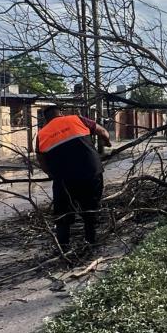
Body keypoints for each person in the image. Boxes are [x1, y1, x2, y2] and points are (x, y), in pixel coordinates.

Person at [35, 107, 112, 250]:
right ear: (61, 114)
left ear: (46, 119)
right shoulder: (77, 119)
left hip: (64, 179)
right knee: (90, 208)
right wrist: (107, 143)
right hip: (91, 171)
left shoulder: (42, 134)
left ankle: (64, 247)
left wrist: (50, 174)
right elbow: (102, 131)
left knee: (63, 214)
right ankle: (91, 242)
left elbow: (41, 159)